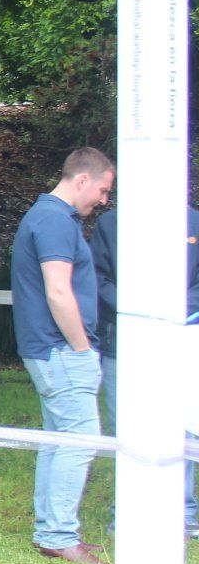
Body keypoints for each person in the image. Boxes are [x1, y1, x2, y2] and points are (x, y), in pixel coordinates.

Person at [11, 147, 115, 564]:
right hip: (60, 349)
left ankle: (51, 530)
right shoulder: (54, 220)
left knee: (58, 440)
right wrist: (82, 348)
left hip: (48, 348)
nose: (104, 200)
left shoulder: (49, 217)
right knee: (80, 440)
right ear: (82, 180)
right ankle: (58, 535)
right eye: (104, 190)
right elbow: (58, 291)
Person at [91, 204, 199, 538]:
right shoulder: (110, 223)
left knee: (184, 427)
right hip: (123, 342)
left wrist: (170, 311)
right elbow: (98, 277)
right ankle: (126, 511)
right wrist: (135, 310)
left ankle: (183, 510)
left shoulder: (194, 221)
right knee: (128, 429)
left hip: (181, 339)